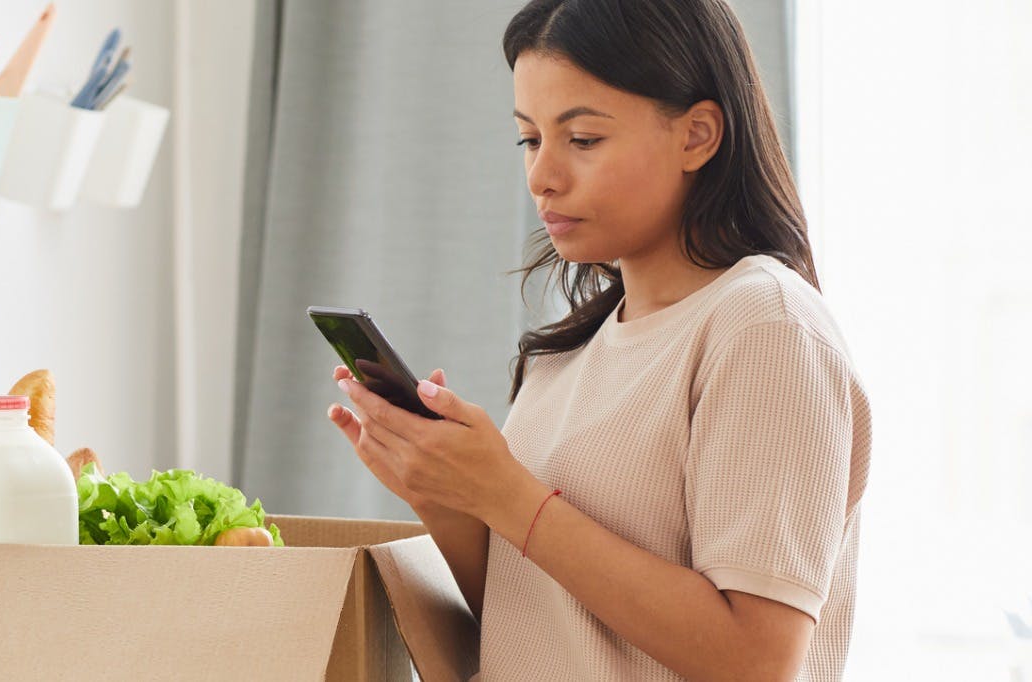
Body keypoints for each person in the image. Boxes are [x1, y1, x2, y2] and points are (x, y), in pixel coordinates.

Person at [323, 0, 870, 679]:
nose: (541, 176)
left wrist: (507, 497)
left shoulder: (763, 328)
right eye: (529, 139)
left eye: (581, 139)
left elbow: (757, 660)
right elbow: (535, 617)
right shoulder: (564, 356)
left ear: (697, 135)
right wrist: (444, 493)